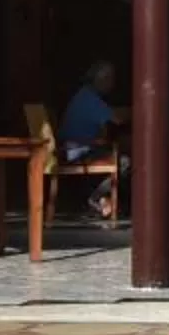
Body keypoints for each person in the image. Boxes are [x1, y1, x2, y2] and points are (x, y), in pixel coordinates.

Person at [61, 59, 121, 218]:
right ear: (100, 80)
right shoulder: (91, 99)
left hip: (72, 148)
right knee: (125, 161)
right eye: (110, 78)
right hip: (78, 151)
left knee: (114, 152)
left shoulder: (84, 94)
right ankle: (95, 198)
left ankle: (101, 199)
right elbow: (117, 119)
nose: (112, 83)